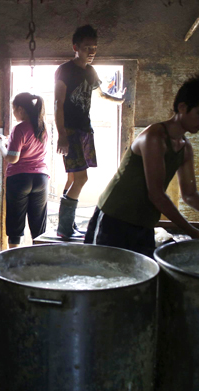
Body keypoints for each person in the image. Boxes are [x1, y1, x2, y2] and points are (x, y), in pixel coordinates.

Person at [84, 75, 199, 256]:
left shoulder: (185, 147)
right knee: (106, 275)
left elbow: (190, 194)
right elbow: (157, 195)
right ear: (182, 107)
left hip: (143, 222)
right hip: (115, 217)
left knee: (140, 276)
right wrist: (192, 232)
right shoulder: (154, 137)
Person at [54, 24, 126, 238]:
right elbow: (58, 103)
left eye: (94, 48)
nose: (91, 52)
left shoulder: (91, 71)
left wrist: (119, 98)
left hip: (85, 129)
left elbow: (101, 94)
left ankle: (67, 224)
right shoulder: (65, 70)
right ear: (75, 47)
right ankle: (64, 228)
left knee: (72, 178)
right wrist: (61, 135)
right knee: (81, 179)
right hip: (70, 130)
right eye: (87, 48)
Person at [0, 92, 49, 248]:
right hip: (41, 178)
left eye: (14, 109)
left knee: (15, 226)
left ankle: (14, 264)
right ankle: (38, 264)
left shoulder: (19, 128)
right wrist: (9, 141)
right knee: (38, 227)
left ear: (20, 109)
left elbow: (13, 158)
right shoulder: (43, 127)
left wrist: (1, 146)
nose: (13, 113)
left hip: (20, 179)